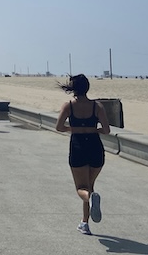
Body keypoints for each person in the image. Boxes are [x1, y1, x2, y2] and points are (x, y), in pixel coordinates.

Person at [55, 74, 110, 236]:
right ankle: (84, 223)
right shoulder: (97, 106)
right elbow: (106, 130)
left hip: (78, 146)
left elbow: (59, 127)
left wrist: (75, 129)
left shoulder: (69, 106)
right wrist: (92, 129)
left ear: (73, 88)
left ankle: (89, 205)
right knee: (90, 185)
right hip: (95, 146)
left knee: (81, 188)